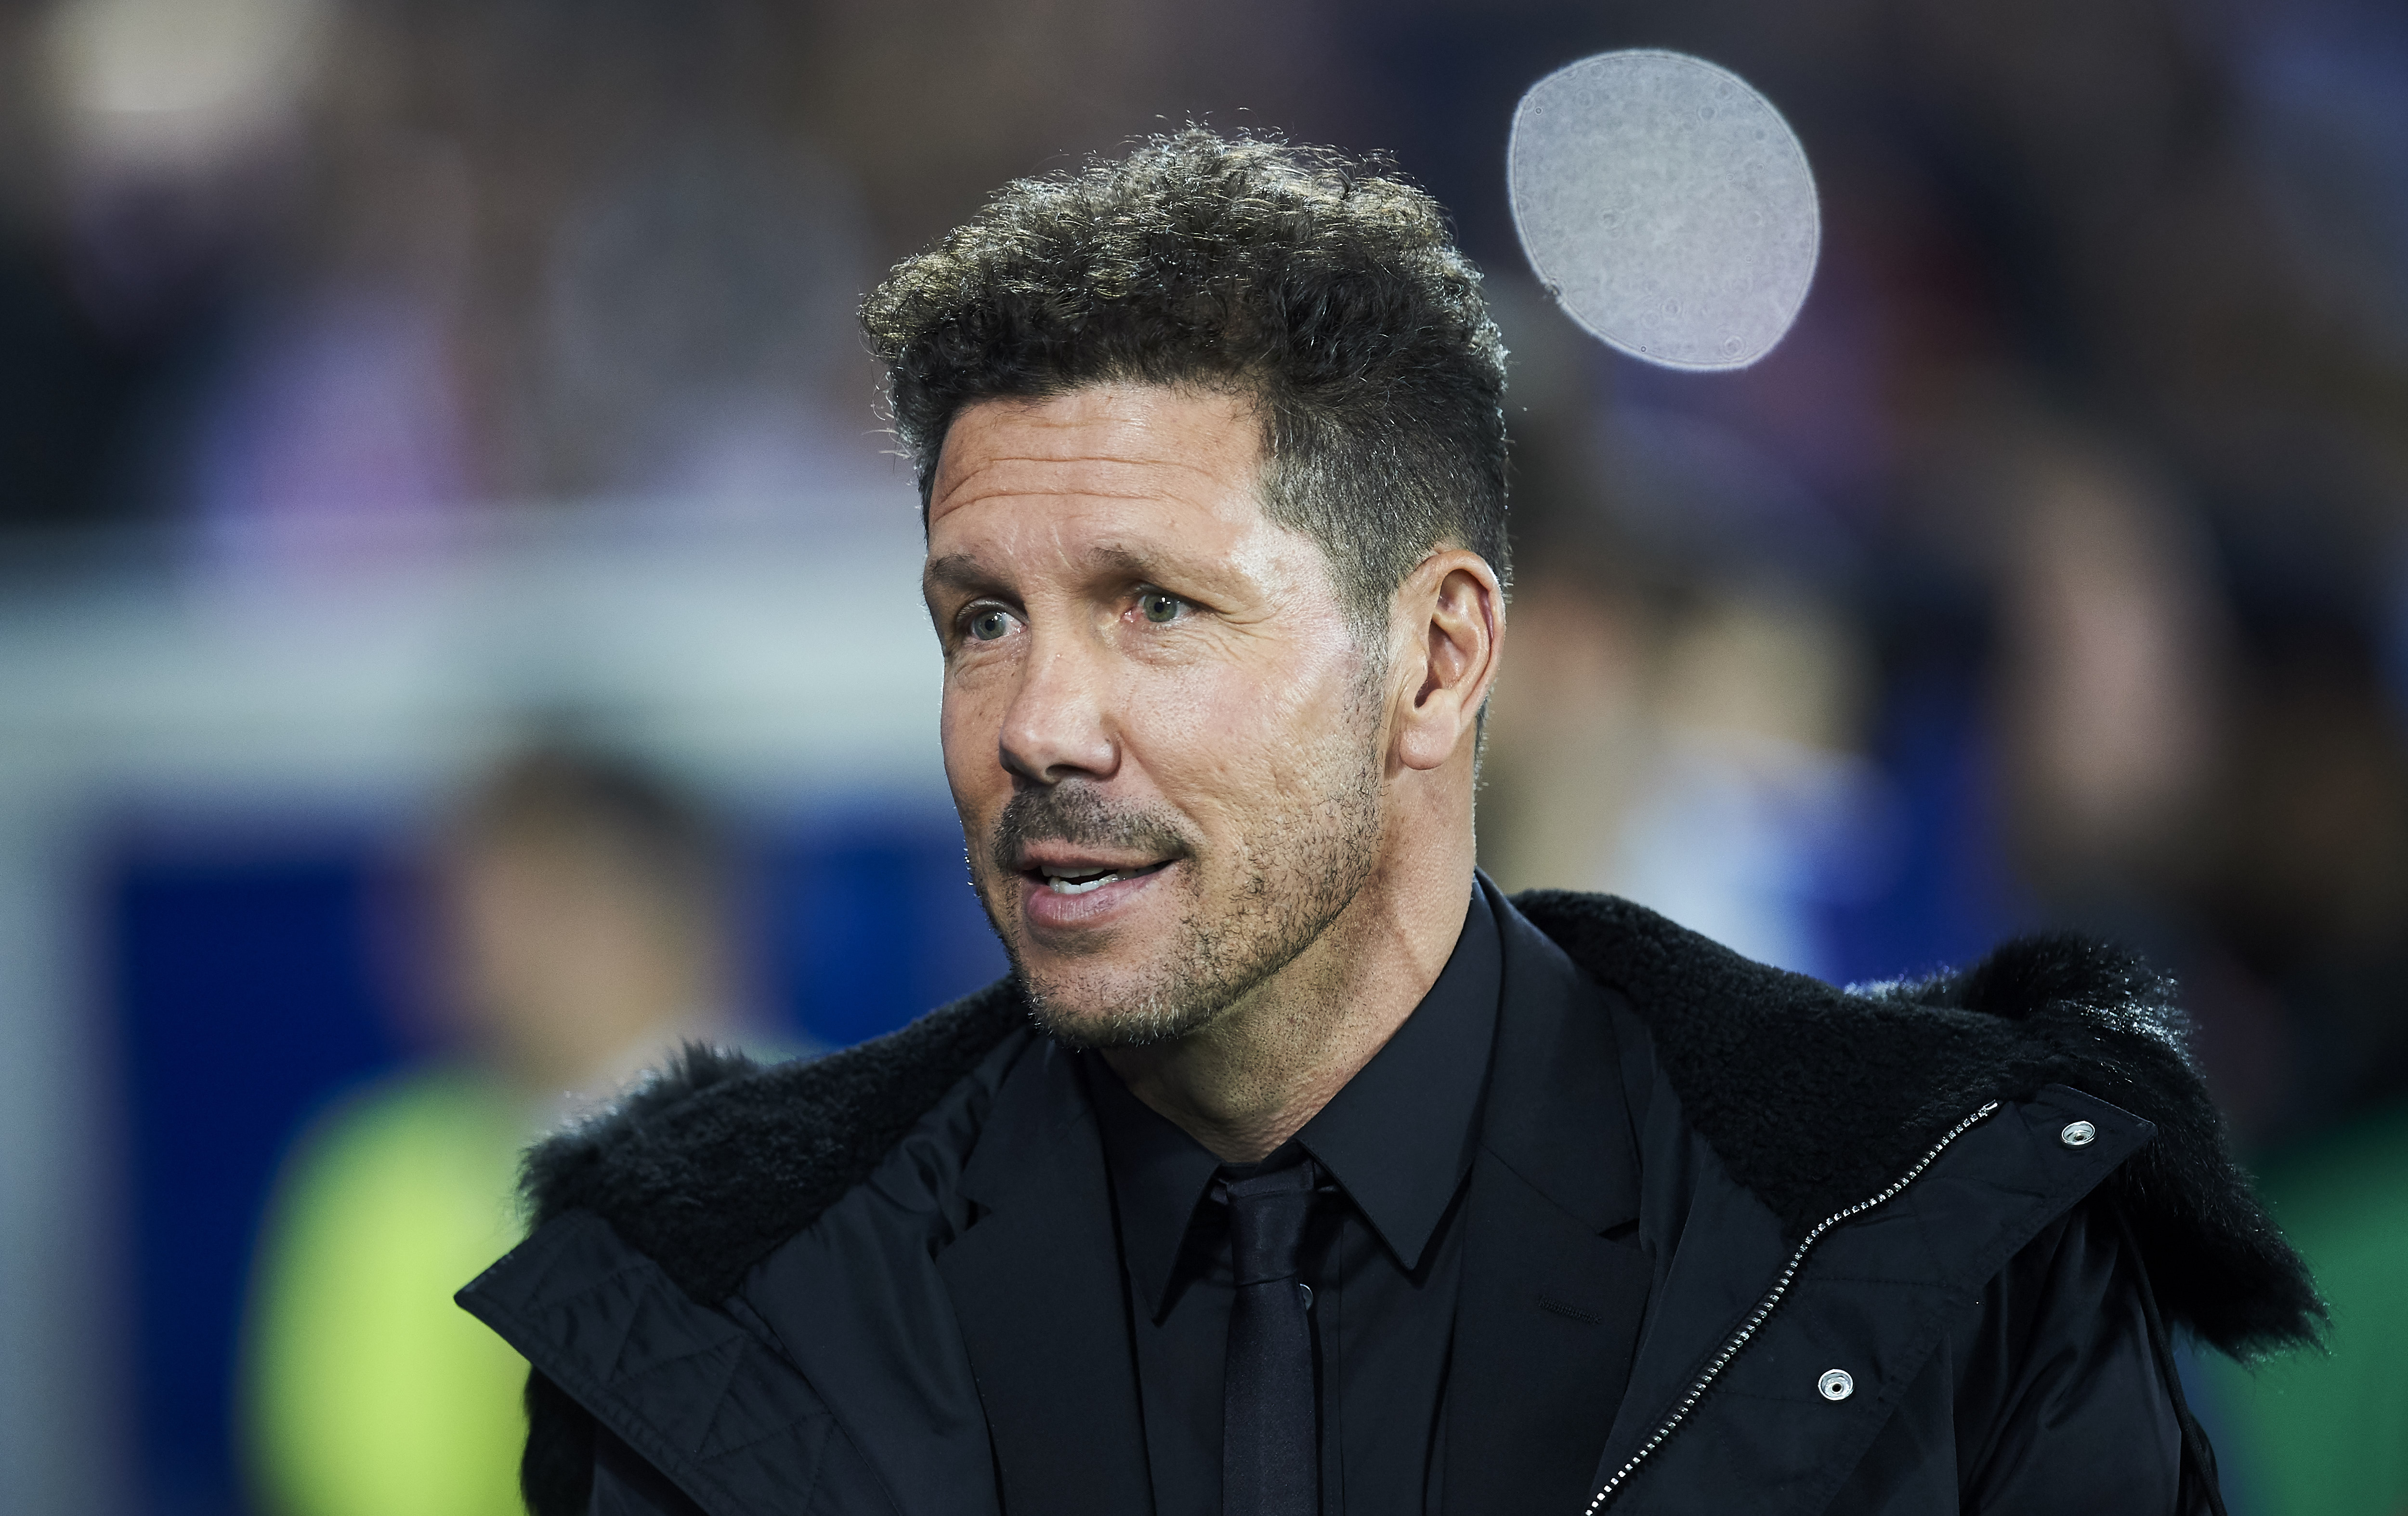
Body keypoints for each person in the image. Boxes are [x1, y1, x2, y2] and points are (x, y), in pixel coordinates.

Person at [458, 132, 2317, 1516]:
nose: (1034, 721)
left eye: (1155, 605)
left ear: (1441, 661)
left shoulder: (1953, 1243)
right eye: (981, 618)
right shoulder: (718, 1309)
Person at [247, 746, 742, 1516]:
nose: (451, 947)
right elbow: (356, 1469)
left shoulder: (850, 1137)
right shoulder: (383, 1170)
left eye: (535, 901)